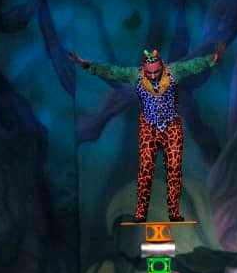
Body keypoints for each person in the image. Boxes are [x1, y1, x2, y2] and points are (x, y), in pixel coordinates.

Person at [69, 43, 225, 222]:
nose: (152, 76)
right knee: (145, 171)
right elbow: (111, 71)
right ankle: (141, 212)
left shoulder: (173, 71)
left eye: (155, 72)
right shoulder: (136, 75)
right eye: (149, 73)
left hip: (170, 128)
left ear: (161, 66)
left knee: (174, 170)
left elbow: (193, 66)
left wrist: (212, 59)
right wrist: (85, 64)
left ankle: (174, 211)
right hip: (149, 129)